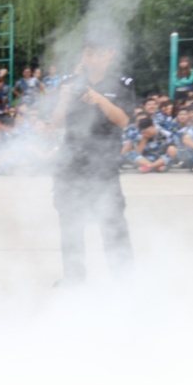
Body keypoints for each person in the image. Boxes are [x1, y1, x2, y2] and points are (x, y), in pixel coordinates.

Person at [50, 28, 134, 286]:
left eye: (98, 54)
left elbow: (123, 119)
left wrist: (98, 99)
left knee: (112, 224)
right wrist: (64, 99)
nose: (92, 58)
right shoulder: (71, 81)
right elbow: (55, 123)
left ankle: (125, 280)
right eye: (88, 53)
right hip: (71, 166)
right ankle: (74, 278)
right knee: (70, 225)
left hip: (103, 167)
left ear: (110, 54)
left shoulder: (121, 84)